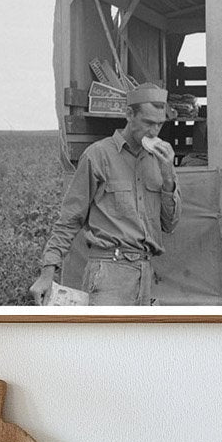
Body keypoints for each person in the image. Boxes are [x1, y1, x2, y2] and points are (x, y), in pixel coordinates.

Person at [29, 83, 181, 306]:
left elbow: (170, 225)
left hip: (146, 272)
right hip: (109, 271)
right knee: (105, 339)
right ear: (129, 114)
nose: (153, 131)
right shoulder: (98, 155)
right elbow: (69, 219)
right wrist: (47, 273)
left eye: (159, 124)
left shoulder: (161, 162)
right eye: (147, 122)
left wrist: (168, 177)